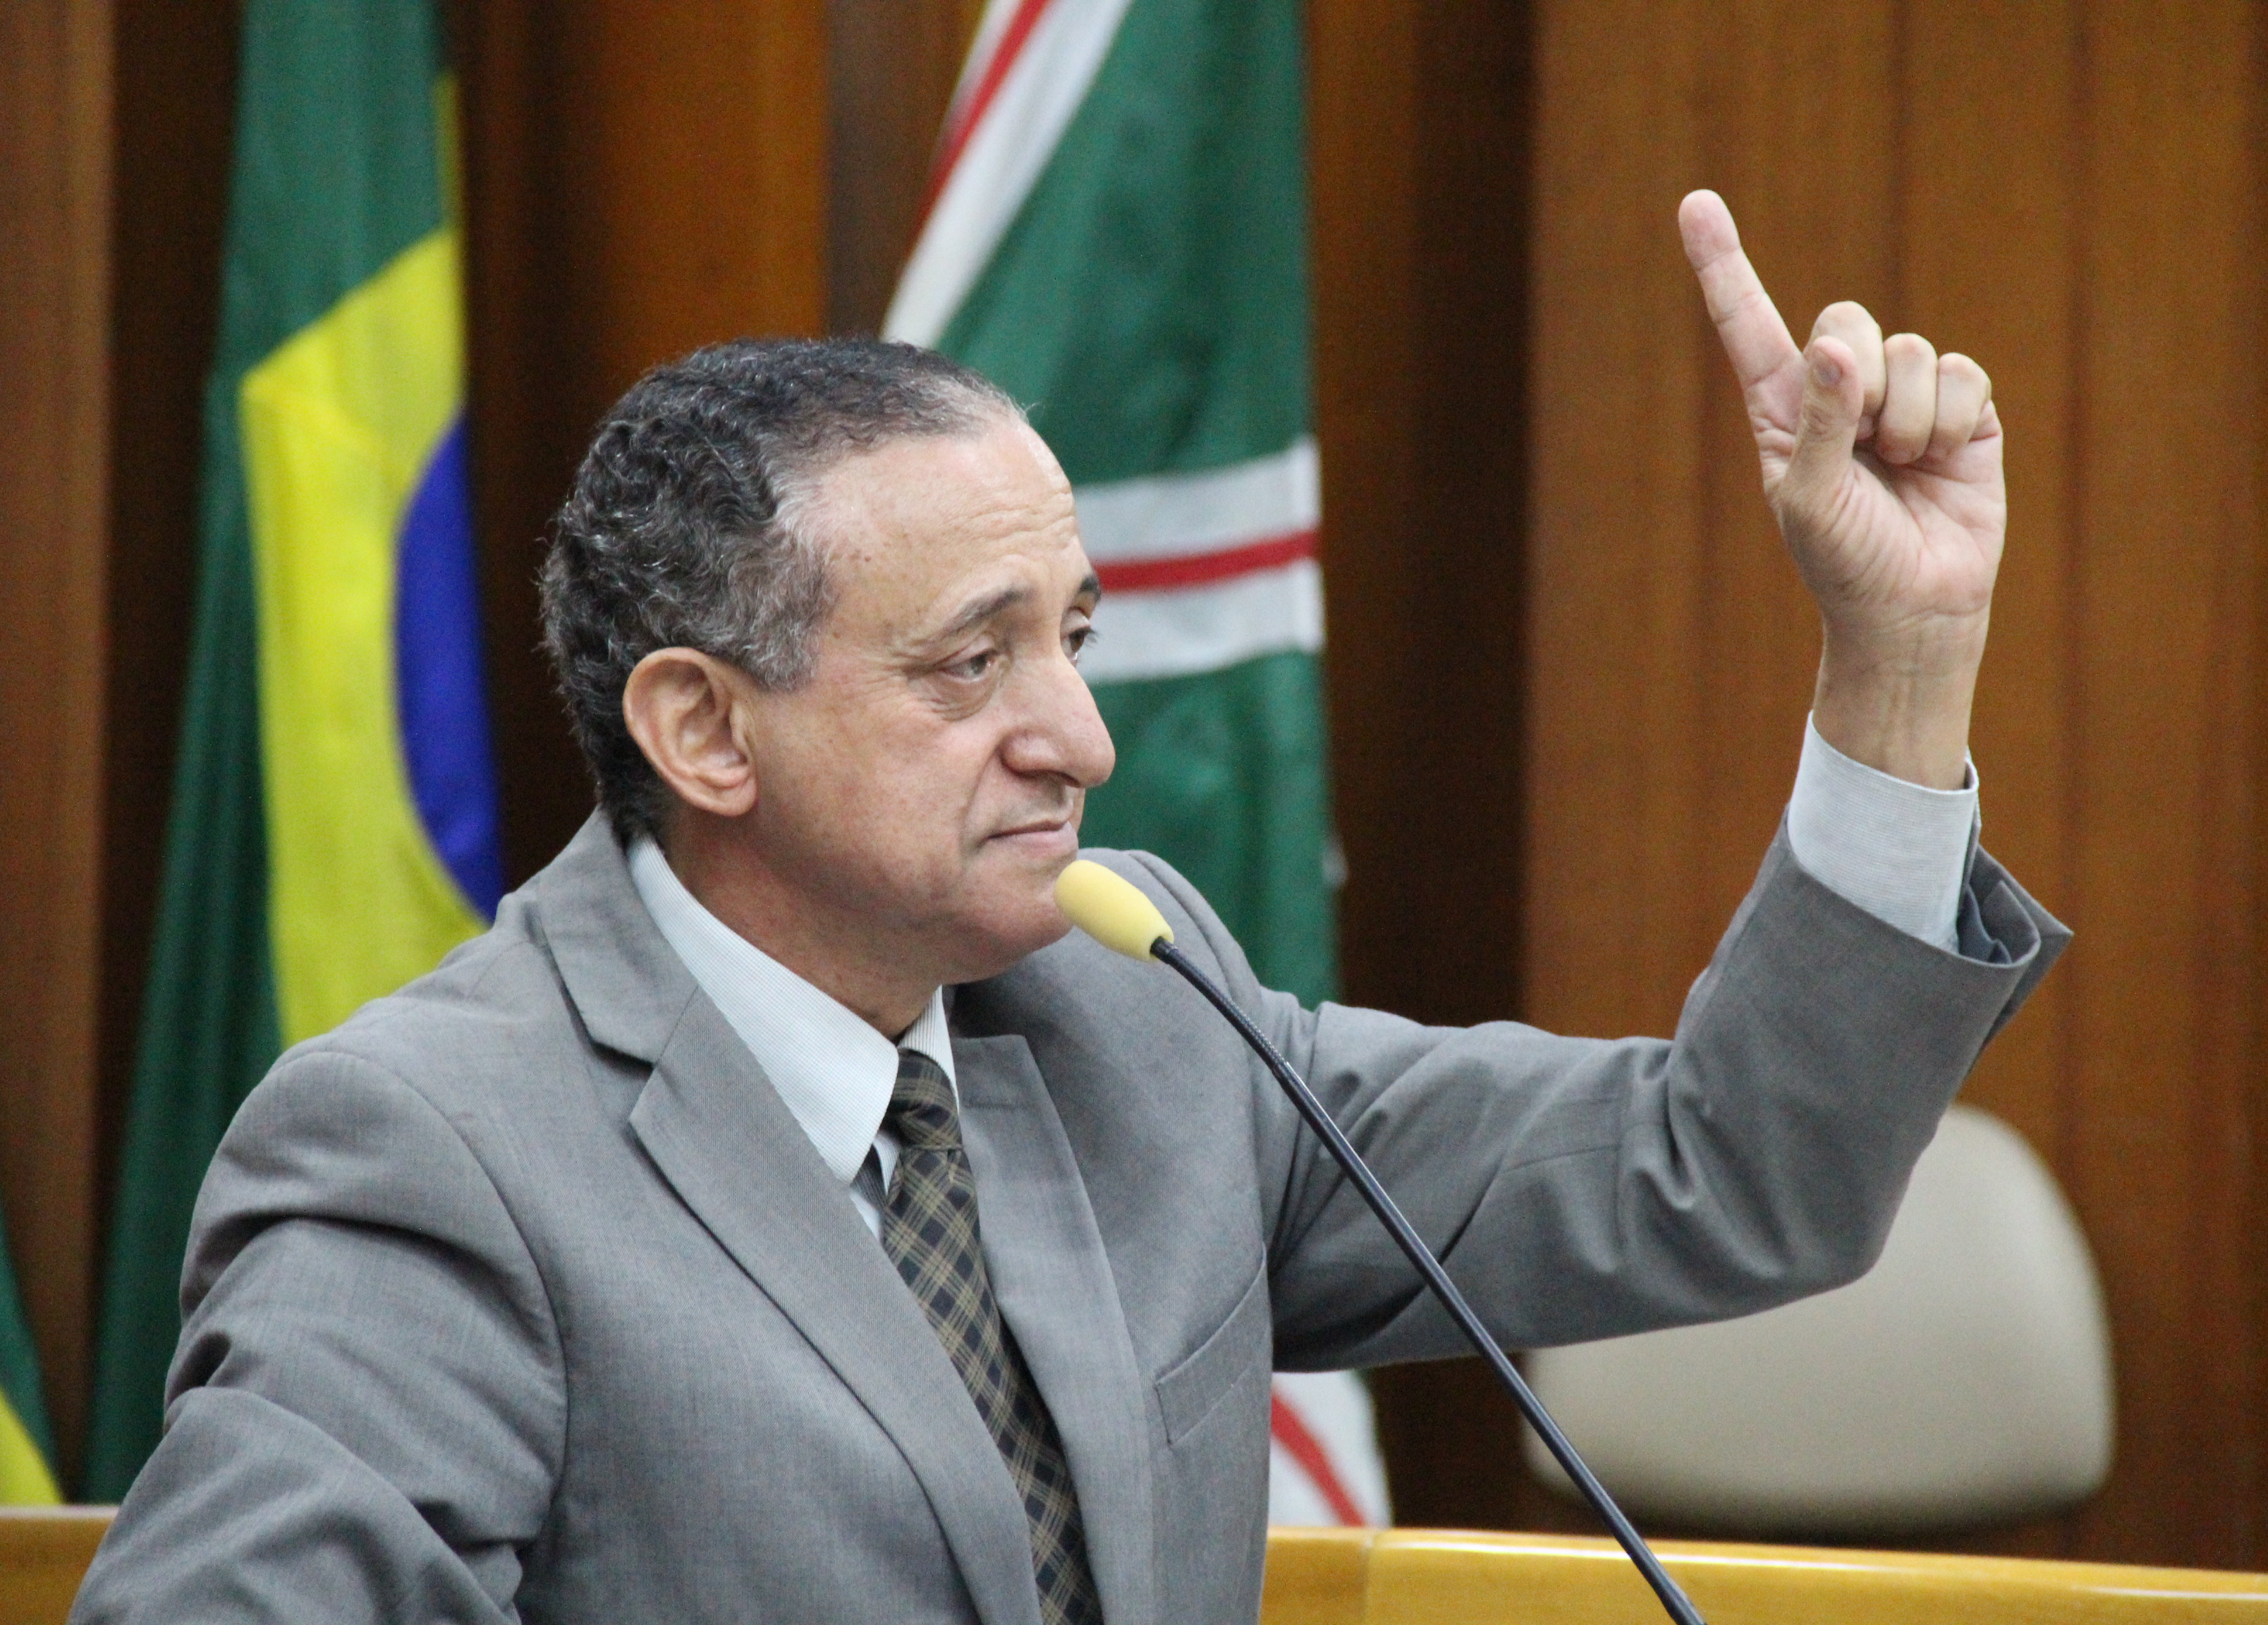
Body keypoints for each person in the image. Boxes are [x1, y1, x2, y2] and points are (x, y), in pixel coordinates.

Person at [72, 193, 2063, 1625]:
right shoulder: (436, 1152)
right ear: (704, 730)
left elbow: (1730, 1172)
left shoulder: (1138, 1012)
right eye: (973, 664)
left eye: (1076, 640)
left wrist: (1898, 660)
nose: (1084, 740)